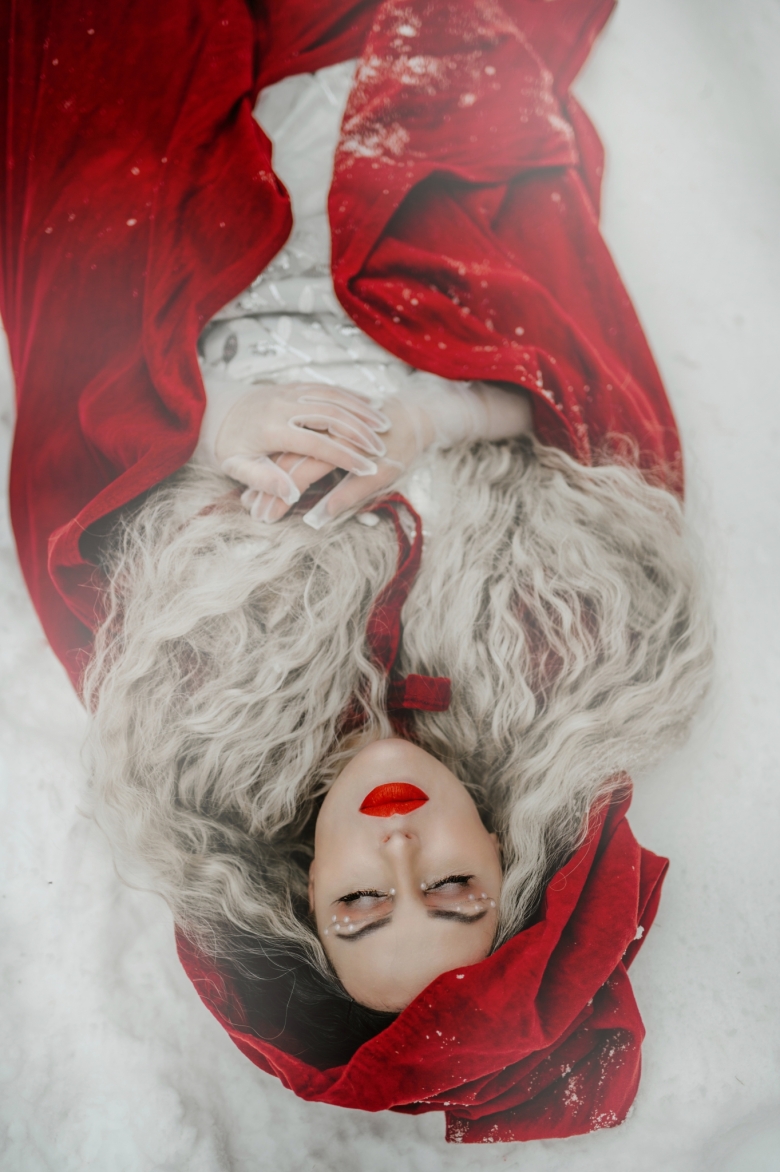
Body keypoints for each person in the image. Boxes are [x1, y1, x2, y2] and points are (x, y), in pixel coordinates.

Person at [2, 0, 712, 1143]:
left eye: (363, 902)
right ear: (506, 857)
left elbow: (69, 473)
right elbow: (586, 407)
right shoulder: (561, 658)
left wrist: (208, 422)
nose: (399, 847)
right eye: (453, 890)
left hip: (195, 243)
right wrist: (431, 418)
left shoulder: (190, 716)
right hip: (393, 195)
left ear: (301, 897)